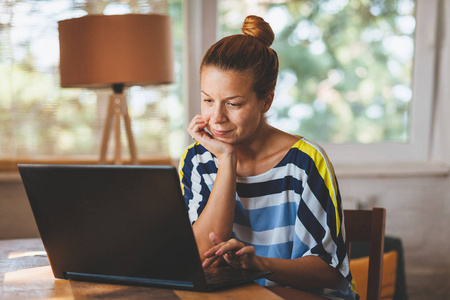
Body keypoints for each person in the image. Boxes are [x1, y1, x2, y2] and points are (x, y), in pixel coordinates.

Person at [179, 15, 358, 300]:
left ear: (266, 101)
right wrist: (227, 161)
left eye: (234, 103)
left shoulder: (304, 162)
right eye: (208, 100)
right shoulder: (197, 159)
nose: (216, 118)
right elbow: (202, 254)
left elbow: (330, 270)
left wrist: (260, 266)